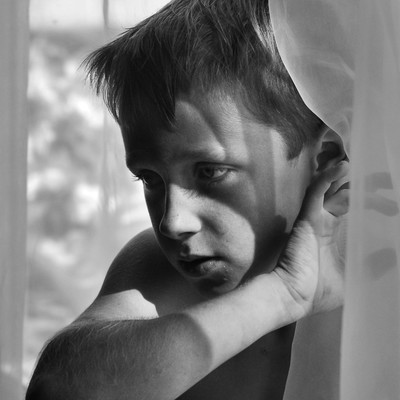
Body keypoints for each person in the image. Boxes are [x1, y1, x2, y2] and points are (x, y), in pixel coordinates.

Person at [26, 0, 349, 399]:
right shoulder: (158, 268)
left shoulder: (378, 278)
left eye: (210, 172)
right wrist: (282, 295)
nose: (172, 222)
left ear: (325, 158)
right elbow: (57, 389)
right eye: (150, 179)